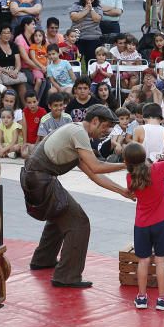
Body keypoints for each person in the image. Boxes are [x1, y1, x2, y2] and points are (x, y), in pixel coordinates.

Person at [22, 105, 131, 288]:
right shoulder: (78, 132)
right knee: (79, 223)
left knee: (59, 213)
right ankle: (66, 276)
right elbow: (96, 166)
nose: (106, 133)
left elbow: (93, 174)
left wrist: (123, 191)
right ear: (94, 121)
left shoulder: (76, 133)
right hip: (40, 180)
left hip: (35, 178)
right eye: (105, 127)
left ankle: (43, 259)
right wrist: (126, 164)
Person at [125, 143, 164, 311]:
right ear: (145, 156)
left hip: (141, 224)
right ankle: (162, 299)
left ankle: (142, 297)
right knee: (160, 261)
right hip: (161, 221)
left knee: (143, 260)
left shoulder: (130, 177)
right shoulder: (158, 168)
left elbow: (133, 193)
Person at [70, 0, 104, 65]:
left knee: (91, 61)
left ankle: (91, 76)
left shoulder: (97, 7)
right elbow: (74, 17)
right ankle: (75, 75)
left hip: (93, 38)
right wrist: (86, 10)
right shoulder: (76, 5)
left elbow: (97, 19)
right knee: (76, 60)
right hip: (77, 38)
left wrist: (91, 9)